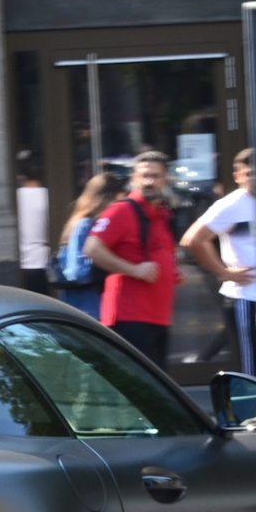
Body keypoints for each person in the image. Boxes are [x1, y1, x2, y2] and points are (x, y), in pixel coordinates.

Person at [180, 146, 256, 393]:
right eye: (250, 173)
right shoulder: (231, 205)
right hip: (246, 299)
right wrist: (224, 272)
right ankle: (250, 419)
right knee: (253, 370)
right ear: (238, 176)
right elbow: (192, 240)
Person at [84, 150, 178, 366]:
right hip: (129, 318)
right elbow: (92, 248)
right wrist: (134, 270)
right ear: (134, 179)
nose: (148, 181)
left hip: (157, 317)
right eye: (144, 175)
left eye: (155, 176)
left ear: (165, 180)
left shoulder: (163, 214)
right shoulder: (122, 211)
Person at [56, 173, 116, 319]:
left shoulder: (80, 222)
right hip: (88, 308)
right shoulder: (85, 224)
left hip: (86, 306)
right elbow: (76, 271)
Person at [13, 152, 52, 294]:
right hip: (43, 260)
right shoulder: (49, 196)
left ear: (21, 176)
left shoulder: (14, 197)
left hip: (19, 262)